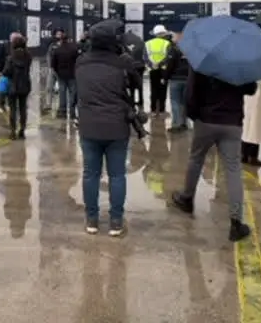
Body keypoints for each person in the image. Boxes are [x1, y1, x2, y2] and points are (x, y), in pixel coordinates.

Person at [170, 67, 256, 242]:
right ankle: (236, 223)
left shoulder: (202, 62)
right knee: (233, 170)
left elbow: (191, 94)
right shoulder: (237, 63)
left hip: (206, 120)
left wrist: (196, 116)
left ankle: (187, 198)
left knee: (196, 159)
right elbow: (251, 89)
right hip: (232, 121)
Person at [75, 20, 141, 237]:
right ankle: (115, 220)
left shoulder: (81, 62)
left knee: (90, 174)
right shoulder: (122, 63)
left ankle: (92, 219)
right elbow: (136, 84)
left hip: (89, 125)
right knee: (117, 175)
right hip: (116, 126)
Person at [2, 36, 32, 140]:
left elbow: (6, 72)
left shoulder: (10, 58)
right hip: (25, 85)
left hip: (13, 87)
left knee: (13, 109)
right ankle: (22, 131)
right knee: (23, 108)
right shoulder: (28, 57)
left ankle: (12, 132)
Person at [163, 32, 190, 133]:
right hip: (188, 78)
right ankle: (184, 123)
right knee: (184, 102)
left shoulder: (173, 49)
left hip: (175, 78)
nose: (172, 38)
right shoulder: (190, 49)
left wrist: (165, 77)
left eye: (174, 37)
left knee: (175, 101)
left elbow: (170, 64)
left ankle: (176, 124)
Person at [144, 25, 172, 117]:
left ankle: (152, 111)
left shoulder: (148, 43)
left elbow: (145, 57)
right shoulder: (167, 43)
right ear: (162, 33)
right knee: (162, 90)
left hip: (152, 69)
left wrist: (152, 65)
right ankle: (161, 111)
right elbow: (168, 57)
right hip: (163, 70)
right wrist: (160, 64)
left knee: (153, 89)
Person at [50, 33, 79, 121]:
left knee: (62, 93)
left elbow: (53, 64)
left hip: (61, 75)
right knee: (72, 93)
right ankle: (72, 111)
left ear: (61, 40)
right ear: (68, 39)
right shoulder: (74, 50)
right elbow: (78, 61)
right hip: (72, 74)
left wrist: (57, 71)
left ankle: (62, 111)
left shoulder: (57, 50)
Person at [0, 32, 22, 113]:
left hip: (16, 73)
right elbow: (0, 58)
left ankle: (10, 104)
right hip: (5, 71)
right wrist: (1, 70)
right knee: (2, 89)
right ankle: (1, 105)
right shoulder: (5, 46)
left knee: (12, 89)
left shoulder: (21, 47)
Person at [43, 29, 65, 110]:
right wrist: (50, 66)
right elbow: (48, 55)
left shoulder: (66, 45)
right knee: (49, 87)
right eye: (57, 34)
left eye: (60, 34)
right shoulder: (52, 45)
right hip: (52, 70)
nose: (58, 35)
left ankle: (61, 106)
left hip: (62, 70)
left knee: (62, 89)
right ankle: (48, 104)